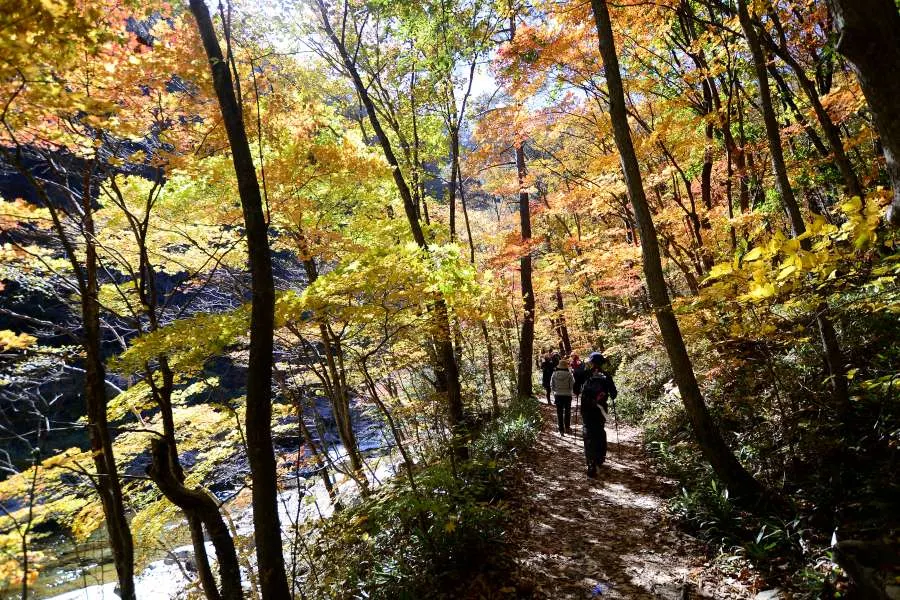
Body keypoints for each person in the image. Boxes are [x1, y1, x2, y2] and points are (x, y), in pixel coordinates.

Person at [580, 352, 618, 478]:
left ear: (591, 362)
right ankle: (600, 458)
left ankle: (591, 462)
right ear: (602, 363)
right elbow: (613, 394)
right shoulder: (606, 376)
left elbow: (575, 389)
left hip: (586, 408)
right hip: (601, 409)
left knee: (588, 432)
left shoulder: (585, 374)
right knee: (599, 431)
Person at [550, 357, 575, 434]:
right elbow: (572, 385)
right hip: (567, 395)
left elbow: (551, 384)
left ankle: (561, 429)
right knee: (567, 411)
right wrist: (569, 390)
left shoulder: (554, 374)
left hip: (558, 395)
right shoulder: (569, 374)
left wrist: (555, 391)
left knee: (559, 412)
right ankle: (567, 427)